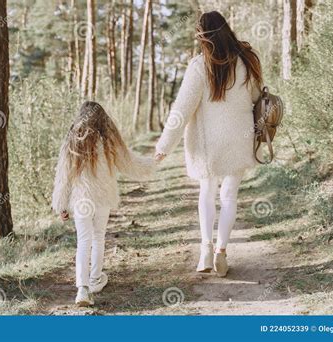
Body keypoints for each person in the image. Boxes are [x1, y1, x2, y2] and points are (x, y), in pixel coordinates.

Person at [154, 11, 263, 277]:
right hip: (239, 138)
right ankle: (221, 251)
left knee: (207, 192)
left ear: (204, 36)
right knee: (229, 197)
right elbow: (258, 100)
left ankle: (205, 249)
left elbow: (181, 110)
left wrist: (164, 146)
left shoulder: (200, 66)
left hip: (208, 143)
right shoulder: (247, 61)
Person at [52, 101, 155, 306]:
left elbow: (63, 175)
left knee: (84, 240)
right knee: (98, 236)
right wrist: (153, 162)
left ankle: (82, 289)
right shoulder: (108, 140)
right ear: (102, 119)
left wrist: (61, 204)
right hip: (102, 197)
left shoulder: (72, 139)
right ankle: (96, 279)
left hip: (81, 198)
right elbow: (129, 164)